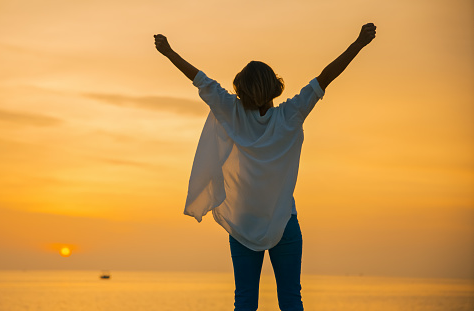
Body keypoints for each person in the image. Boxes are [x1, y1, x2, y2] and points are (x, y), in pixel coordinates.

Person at [154, 23, 377, 311]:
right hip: (284, 221)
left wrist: (169, 52)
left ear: (241, 91)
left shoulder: (231, 112)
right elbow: (325, 78)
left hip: (244, 223)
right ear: (274, 87)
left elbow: (200, 80)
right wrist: (359, 43)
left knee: (245, 301)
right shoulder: (290, 115)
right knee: (290, 299)